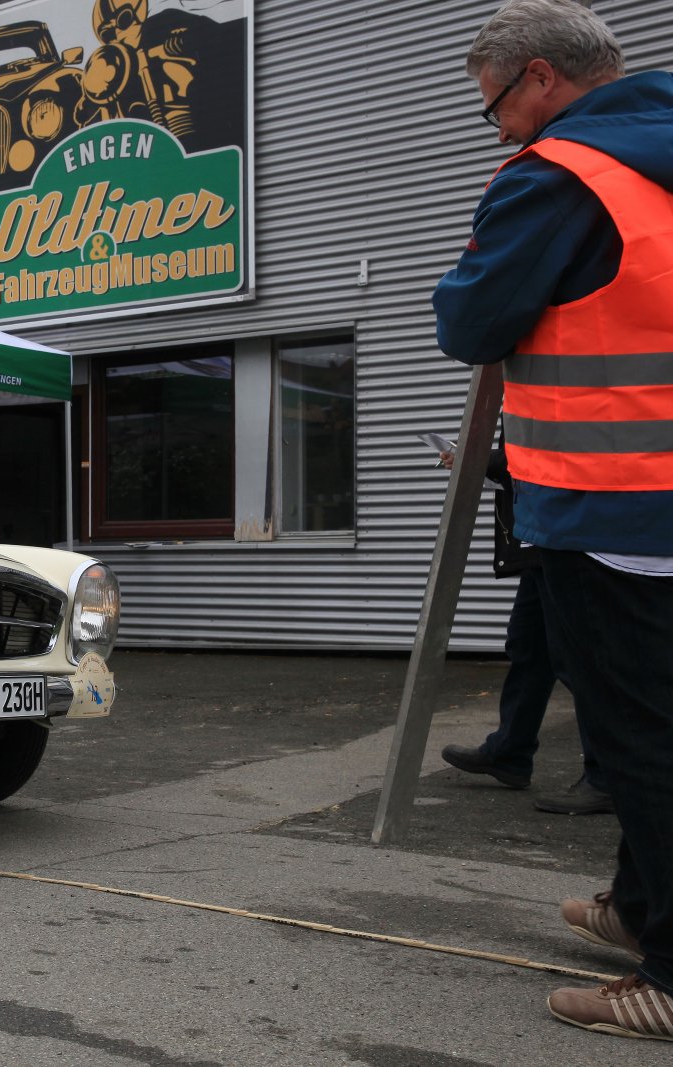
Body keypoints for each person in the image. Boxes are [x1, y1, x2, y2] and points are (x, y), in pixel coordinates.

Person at [433, 0, 673, 1040]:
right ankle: (639, 906)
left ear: (539, 77)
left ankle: (668, 973)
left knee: (639, 738)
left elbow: (472, 318)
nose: (494, 126)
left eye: (492, 104)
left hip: (612, 504)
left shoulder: (561, 173)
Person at [436, 441, 610, 815]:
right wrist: (482, 461)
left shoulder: (552, 401)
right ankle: (509, 752)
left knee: (578, 660)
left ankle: (607, 778)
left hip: (564, 534)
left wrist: (481, 458)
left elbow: (549, 451)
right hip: (539, 537)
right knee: (530, 648)